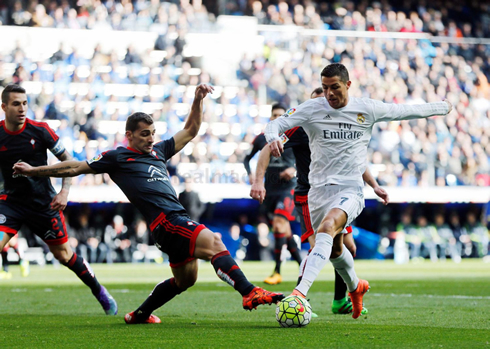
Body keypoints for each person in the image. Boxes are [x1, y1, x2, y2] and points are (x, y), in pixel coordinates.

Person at [14, 84, 284, 324]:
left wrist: (197, 100)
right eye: (144, 134)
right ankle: (249, 293)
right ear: (129, 135)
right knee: (214, 241)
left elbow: (190, 130)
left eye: (153, 133)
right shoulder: (117, 157)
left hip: (170, 223)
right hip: (167, 220)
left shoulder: (159, 151)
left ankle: (139, 315)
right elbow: (75, 167)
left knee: (185, 280)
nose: (151, 138)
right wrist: (35, 171)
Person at [264, 63, 452, 318]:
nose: (329, 93)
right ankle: (356, 286)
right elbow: (276, 124)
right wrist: (273, 137)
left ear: (348, 85)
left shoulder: (366, 108)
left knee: (328, 227)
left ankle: (299, 293)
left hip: (350, 190)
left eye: (335, 87)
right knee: (335, 250)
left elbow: (404, 110)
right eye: (326, 87)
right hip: (317, 193)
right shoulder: (312, 108)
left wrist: (442, 107)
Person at [250, 87, 389, 315]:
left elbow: (356, 162)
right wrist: (258, 182)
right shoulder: (300, 128)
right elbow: (266, 150)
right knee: (319, 246)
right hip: (309, 194)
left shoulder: (337, 125)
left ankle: (339, 300)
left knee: (347, 247)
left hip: (337, 192)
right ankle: (299, 298)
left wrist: (374, 185)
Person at [0, 84, 117, 314]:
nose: (22, 108)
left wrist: (64, 191)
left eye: (25, 103)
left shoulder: (41, 131)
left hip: (43, 203)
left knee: (64, 255)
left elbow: (68, 160)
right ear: (4, 107)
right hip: (10, 202)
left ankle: (98, 289)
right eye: (16, 104)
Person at [243, 103, 301, 285]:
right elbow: (247, 158)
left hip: (289, 189)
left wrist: (294, 169)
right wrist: (251, 175)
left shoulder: (295, 137)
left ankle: (277, 271)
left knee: (278, 224)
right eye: (274, 115)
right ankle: (303, 264)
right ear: (270, 117)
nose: (277, 118)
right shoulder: (262, 139)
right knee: (284, 231)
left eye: (281, 115)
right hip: (270, 190)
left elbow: (309, 157)